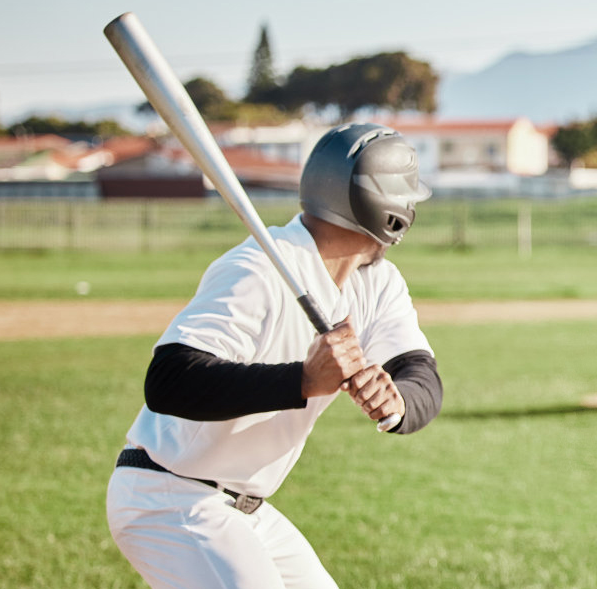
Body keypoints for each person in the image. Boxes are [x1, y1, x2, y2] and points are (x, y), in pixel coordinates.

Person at [106, 123, 443, 589]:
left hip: (244, 509)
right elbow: (169, 380)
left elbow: (420, 375)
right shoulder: (257, 269)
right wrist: (302, 380)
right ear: (390, 211)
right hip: (169, 497)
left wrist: (397, 399)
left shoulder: (378, 282)